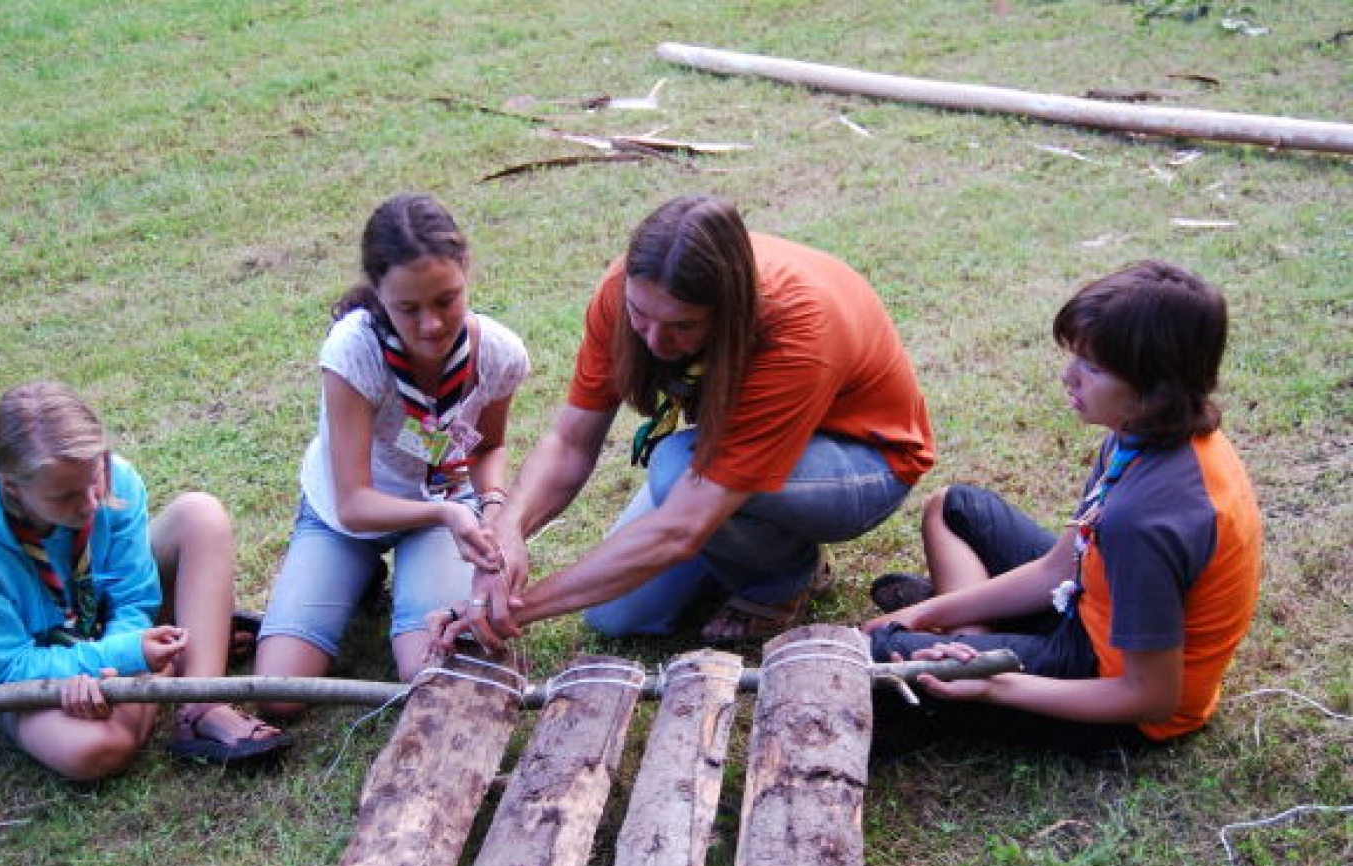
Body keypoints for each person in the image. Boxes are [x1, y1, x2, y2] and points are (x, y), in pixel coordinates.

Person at [459, 194, 935, 648]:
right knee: (616, 616)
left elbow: (681, 527)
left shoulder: (798, 328)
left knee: (672, 468)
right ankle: (753, 540)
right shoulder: (623, 289)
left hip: (864, 463)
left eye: (683, 326)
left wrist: (514, 610)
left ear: (730, 308)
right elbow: (569, 443)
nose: (655, 341)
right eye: (640, 315)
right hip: (738, 451)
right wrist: (508, 534)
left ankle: (784, 577)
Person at [862, 261, 1263, 752]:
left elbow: (1153, 698)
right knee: (954, 508)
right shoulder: (1140, 435)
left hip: (1116, 695)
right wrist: (923, 615)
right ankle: (978, 638)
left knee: (874, 660)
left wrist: (994, 683)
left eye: (1093, 368)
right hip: (1088, 608)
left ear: (1155, 389)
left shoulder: (1143, 521)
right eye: (1074, 357)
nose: (1068, 376)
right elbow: (1059, 569)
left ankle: (972, 672)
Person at [0, 381, 289, 781]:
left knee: (199, 515)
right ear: (12, 487)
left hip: (107, 632)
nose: (90, 503)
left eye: (94, 479)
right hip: (33, 667)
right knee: (98, 751)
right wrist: (121, 658)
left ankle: (202, 704)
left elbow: (135, 600)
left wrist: (120, 656)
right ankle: (192, 650)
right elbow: (10, 664)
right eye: (64, 497)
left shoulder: (114, 478)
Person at [251, 193, 529, 711]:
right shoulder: (353, 350)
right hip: (346, 517)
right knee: (279, 694)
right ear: (378, 295)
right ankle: (358, 582)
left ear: (466, 273)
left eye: (446, 300)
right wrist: (449, 510)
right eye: (408, 308)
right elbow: (355, 503)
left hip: (439, 517)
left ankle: (400, 582)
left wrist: (490, 507)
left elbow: (488, 446)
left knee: (429, 676)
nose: (431, 325)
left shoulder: (499, 353)